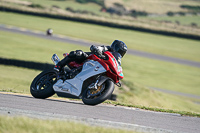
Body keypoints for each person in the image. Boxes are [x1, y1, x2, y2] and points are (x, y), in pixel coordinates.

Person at [54, 40, 127, 73]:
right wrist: (96, 49)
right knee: (78, 53)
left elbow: (117, 66)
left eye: (122, 52)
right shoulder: (107, 48)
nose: (119, 53)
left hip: (100, 68)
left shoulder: (116, 59)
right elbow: (99, 48)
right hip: (90, 59)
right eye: (119, 50)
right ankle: (59, 65)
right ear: (115, 46)